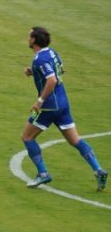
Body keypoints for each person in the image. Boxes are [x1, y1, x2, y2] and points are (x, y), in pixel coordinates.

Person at [21, 26, 107, 191]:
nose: (27, 38)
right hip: (63, 103)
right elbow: (60, 69)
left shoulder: (39, 59)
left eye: (29, 36)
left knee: (27, 137)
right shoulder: (52, 53)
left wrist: (39, 101)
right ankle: (98, 169)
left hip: (48, 107)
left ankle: (43, 173)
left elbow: (52, 80)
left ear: (34, 40)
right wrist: (34, 72)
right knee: (75, 140)